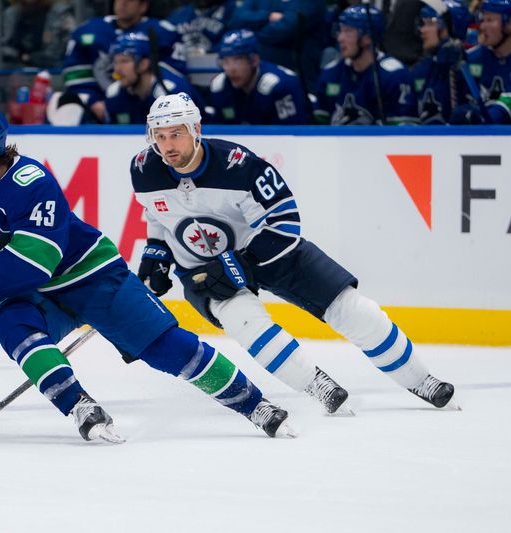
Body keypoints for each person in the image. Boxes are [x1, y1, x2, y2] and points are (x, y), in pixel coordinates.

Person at [0, 101, 295, 443]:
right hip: (37, 293)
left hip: (92, 277)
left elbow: (37, 258)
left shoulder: (31, 182)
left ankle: (255, 404)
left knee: (165, 348)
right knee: (11, 323)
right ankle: (81, 405)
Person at [131, 92, 457, 414]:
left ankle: (421, 379)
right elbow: (158, 215)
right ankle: (316, 384)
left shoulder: (239, 165)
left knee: (353, 310)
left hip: (270, 250)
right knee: (246, 323)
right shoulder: (144, 168)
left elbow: (285, 220)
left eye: (176, 134)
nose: (168, 145)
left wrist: (243, 261)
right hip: (205, 267)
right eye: (160, 136)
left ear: (196, 130)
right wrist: (156, 253)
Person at [61, 0, 186, 123]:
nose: (122, 3)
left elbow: (173, 74)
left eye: (130, 0)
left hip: (149, 102)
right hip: (107, 102)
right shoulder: (88, 29)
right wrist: (92, 100)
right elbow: (75, 73)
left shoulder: (162, 31)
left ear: (143, 6)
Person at [313, 5, 418, 125]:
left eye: (348, 32)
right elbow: (318, 126)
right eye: (340, 31)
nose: (340, 38)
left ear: (367, 37)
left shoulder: (395, 76)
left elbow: (402, 133)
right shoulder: (331, 73)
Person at [208, 29, 308, 125]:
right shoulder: (220, 87)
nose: (231, 69)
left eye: (238, 60)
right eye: (225, 61)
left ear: (254, 60)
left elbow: (292, 133)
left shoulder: (281, 85)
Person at [105, 32, 207, 124]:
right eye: (116, 62)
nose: (117, 69)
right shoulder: (114, 94)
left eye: (124, 61)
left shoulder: (173, 92)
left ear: (144, 64)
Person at [410, 0, 476, 124]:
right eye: (423, 24)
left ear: (448, 28)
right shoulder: (422, 67)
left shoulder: (468, 64)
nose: (422, 30)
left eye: (429, 24)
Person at [464, 0, 511, 118]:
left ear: (509, 24)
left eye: (490, 20)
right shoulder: (472, 58)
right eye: (482, 20)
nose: (482, 26)